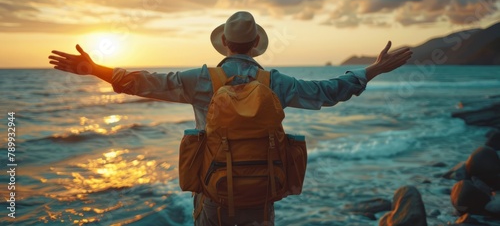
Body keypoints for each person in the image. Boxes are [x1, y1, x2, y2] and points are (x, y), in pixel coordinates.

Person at [48, 11, 413, 226]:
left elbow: (144, 82)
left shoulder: (200, 80)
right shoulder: (276, 83)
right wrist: (373, 70)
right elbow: (328, 91)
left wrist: (96, 69)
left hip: (213, 193)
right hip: (262, 192)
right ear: (256, 45)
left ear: (223, 42)